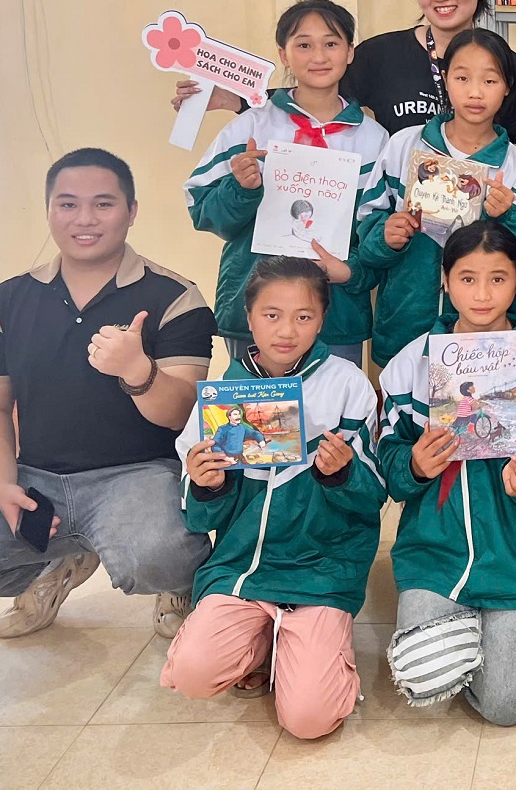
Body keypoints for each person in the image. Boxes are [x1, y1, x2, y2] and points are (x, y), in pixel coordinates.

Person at [0, 148, 217, 639]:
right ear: (49, 211)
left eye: (103, 204)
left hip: (137, 477)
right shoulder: (9, 299)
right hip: (35, 478)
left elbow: (179, 415)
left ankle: (169, 584)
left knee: (163, 556)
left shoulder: (175, 297)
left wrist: (137, 371)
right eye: (67, 204)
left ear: (131, 212)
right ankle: (56, 563)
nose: (84, 219)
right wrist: (1, 486)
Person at [162, 257, 385, 740]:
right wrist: (206, 483)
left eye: (304, 316)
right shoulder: (223, 396)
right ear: (248, 316)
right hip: (244, 567)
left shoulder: (348, 385)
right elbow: (200, 517)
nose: (287, 330)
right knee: (192, 674)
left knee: (308, 719)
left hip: (323, 569)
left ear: (323, 318)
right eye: (271, 314)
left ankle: (313, 645)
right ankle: (263, 637)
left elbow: (373, 499)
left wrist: (341, 474)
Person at [379, 222, 516, 725]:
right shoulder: (412, 362)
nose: (482, 295)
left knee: (506, 707)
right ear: (444, 281)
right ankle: (462, 626)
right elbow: (389, 461)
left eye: (498, 278)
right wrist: (415, 466)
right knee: (425, 679)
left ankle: (498, 638)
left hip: (515, 554)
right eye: (466, 278)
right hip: (435, 552)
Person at [184, 0, 390, 364]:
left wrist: (352, 272)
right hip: (257, 312)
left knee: (331, 416)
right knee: (255, 416)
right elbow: (203, 212)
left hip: (336, 314)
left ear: (350, 52)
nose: (319, 56)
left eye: (331, 43)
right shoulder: (253, 125)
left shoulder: (373, 140)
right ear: (283, 54)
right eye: (303, 44)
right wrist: (241, 189)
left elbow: (378, 233)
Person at [172, 0, 516, 140]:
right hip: (396, 220)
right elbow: (312, 93)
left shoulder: (507, 65)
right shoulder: (381, 54)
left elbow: (504, 145)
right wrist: (233, 98)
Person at [357, 27, 516, 367]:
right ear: (445, 77)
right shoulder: (404, 147)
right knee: (404, 417)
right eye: (462, 77)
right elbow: (366, 235)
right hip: (404, 330)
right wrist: (386, 236)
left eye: (490, 81)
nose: (475, 92)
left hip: (483, 347)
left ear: (507, 88)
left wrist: (508, 217)